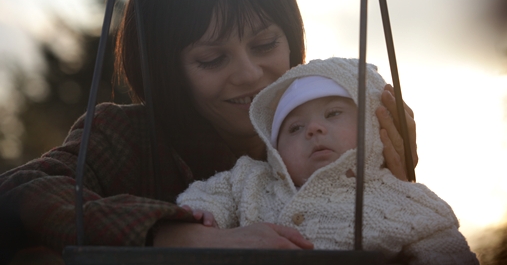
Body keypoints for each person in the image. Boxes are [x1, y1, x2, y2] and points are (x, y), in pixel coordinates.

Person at [0, 0, 417, 259]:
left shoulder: (333, 132)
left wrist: (393, 188)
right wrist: (180, 236)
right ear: (166, 70)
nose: (249, 74)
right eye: (213, 59)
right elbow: (15, 194)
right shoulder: (126, 138)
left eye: (265, 45)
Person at [177, 57, 478, 264]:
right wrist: (204, 214)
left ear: (374, 125)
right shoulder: (250, 179)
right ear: (274, 147)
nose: (314, 128)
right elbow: (209, 194)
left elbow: (444, 248)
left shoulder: (401, 199)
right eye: (294, 128)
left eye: (333, 113)